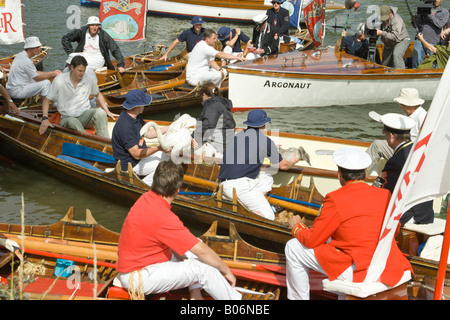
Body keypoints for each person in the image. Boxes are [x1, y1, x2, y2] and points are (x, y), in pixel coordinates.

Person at [285, 147, 413, 300]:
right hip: (388, 263)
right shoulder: (384, 194)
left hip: (361, 269)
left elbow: (312, 239)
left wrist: (296, 227)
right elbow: (395, 229)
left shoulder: (335, 198)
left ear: (340, 174)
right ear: (365, 173)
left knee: (293, 247)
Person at [115, 160, 242, 300]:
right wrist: (226, 271)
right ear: (177, 190)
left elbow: (195, 247)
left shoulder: (146, 198)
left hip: (142, 267)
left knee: (194, 245)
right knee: (204, 268)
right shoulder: (163, 216)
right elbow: (202, 251)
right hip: (140, 277)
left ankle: (195, 293)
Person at [218, 109, 299, 220]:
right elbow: (283, 165)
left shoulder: (236, 136)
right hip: (240, 187)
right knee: (268, 216)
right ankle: (249, 213)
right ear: (263, 125)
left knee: (266, 177)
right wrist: (294, 160)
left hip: (223, 185)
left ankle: (255, 204)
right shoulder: (265, 141)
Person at [370, 111, 434, 226]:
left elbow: (380, 191)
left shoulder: (396, 161)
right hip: (425, 213)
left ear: (391, 136)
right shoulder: (418, 151)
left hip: (410, 216)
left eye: (384, 133)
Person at [38, 55, 117, 138]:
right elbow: (46, 101)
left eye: (84, 71)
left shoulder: (89, 79)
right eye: (79, 71)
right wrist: (45, 119)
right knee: (73, 121)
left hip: (85, 115)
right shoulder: (59, 80)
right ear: (72, 67)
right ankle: (89, 142)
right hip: (67, 117)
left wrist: (107, 111)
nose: (82, 74)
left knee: (101, 113)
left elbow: (98, 94)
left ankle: (105, 142)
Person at [111, 89, 170, 186]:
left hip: (139, 158)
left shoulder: (136, 116)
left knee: (168, 157)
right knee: (165, 166)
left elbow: (149, 134)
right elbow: (136, 154)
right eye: (143, 103)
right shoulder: (125, 126)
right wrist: (159, 148)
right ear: (138, 106)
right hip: (130, 164)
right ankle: (143, 186)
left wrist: (170, 128)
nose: (145, 106)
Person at [366, 88, 427, 174]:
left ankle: (358, 173)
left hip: (409, 155)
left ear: (410, 105)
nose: (400, 107)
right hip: (404, 148)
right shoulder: (409, 113)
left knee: (377, 145)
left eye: (402, 104)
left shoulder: (423, 117)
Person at [191, 81, 236, 159]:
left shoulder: (211, 105)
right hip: (228, 141)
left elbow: (208, 124)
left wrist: (193, 136)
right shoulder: (222, 104)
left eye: (201, 96)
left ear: (204, 94)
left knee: (189, 144)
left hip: (221, 146)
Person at [412, 0, 449, 68]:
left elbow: (440, 24)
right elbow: (417, 25)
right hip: (420, 39)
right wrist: (414, 21)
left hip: (433, 42)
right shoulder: (424, 8)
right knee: (416, 62)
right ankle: (415, 76)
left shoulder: (445, 12)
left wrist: (429, 15)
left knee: (431, 64)